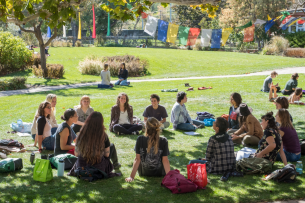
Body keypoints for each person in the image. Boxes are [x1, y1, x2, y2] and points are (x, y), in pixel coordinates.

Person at [68, 112, 122, 178]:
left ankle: (115, 164)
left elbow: (76, 154)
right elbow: (106, 155)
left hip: (81, 166)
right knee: (111, 146)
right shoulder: (103, 136)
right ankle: (116, 164)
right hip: (98, 168)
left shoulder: (81, 134)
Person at [125, 117, 170, 182]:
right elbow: (165, 160)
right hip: (160, 173)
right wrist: (169, 178)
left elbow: (137, 159)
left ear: (146, 127)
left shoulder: (140, 139)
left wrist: (131, 177)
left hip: (143, 173)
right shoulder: (164, 140)